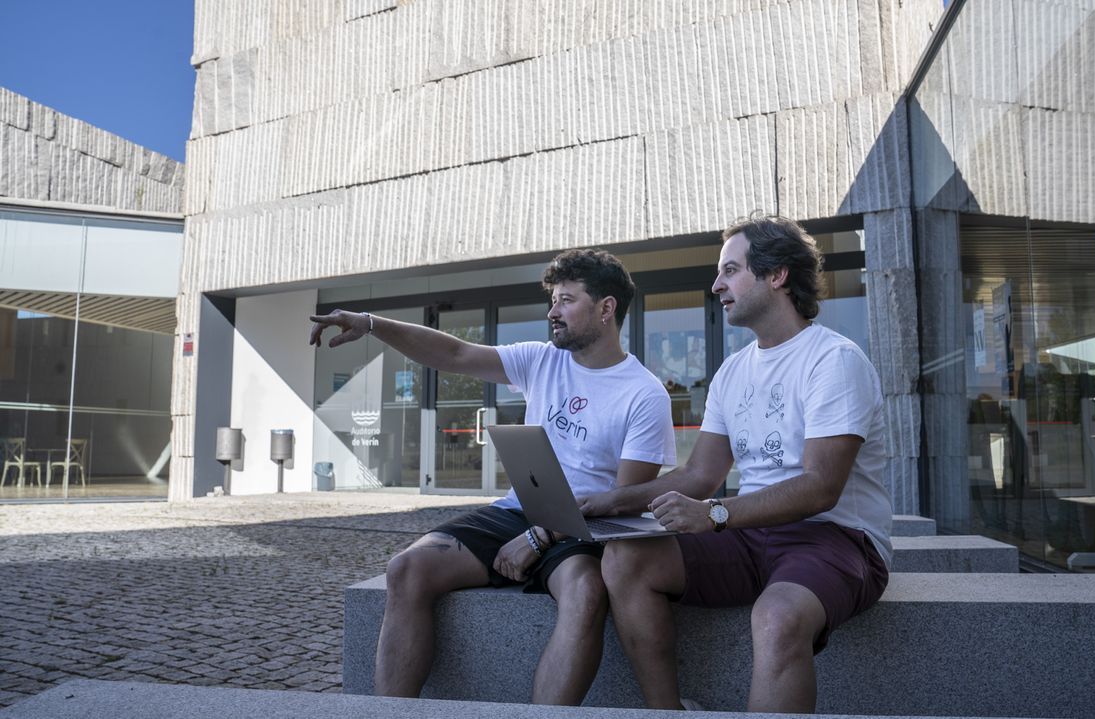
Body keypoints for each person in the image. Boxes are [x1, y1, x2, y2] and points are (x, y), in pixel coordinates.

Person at [309, 249, 676, 704]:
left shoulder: (644, 394)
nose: (552, 312)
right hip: (516, 512)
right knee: (407, 568)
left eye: (565, 300)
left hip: (583, 532)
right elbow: (456, 352)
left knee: (585, 593)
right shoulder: (542, 360)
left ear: (606, 308)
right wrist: (371, 324)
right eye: (553, 300)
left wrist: (541, 538)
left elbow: (625, 503)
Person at [582, 214, 893, 713]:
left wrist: (716, 514)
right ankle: (668, 712)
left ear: (777, 275)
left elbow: (820, 487)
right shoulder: (732, 371)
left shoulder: (834, 361)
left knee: (778, 616)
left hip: (836, 536)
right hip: (749, 534)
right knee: (625, 559)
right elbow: (699, 475)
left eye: (730, 270)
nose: (716, 285)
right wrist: (607, 502)